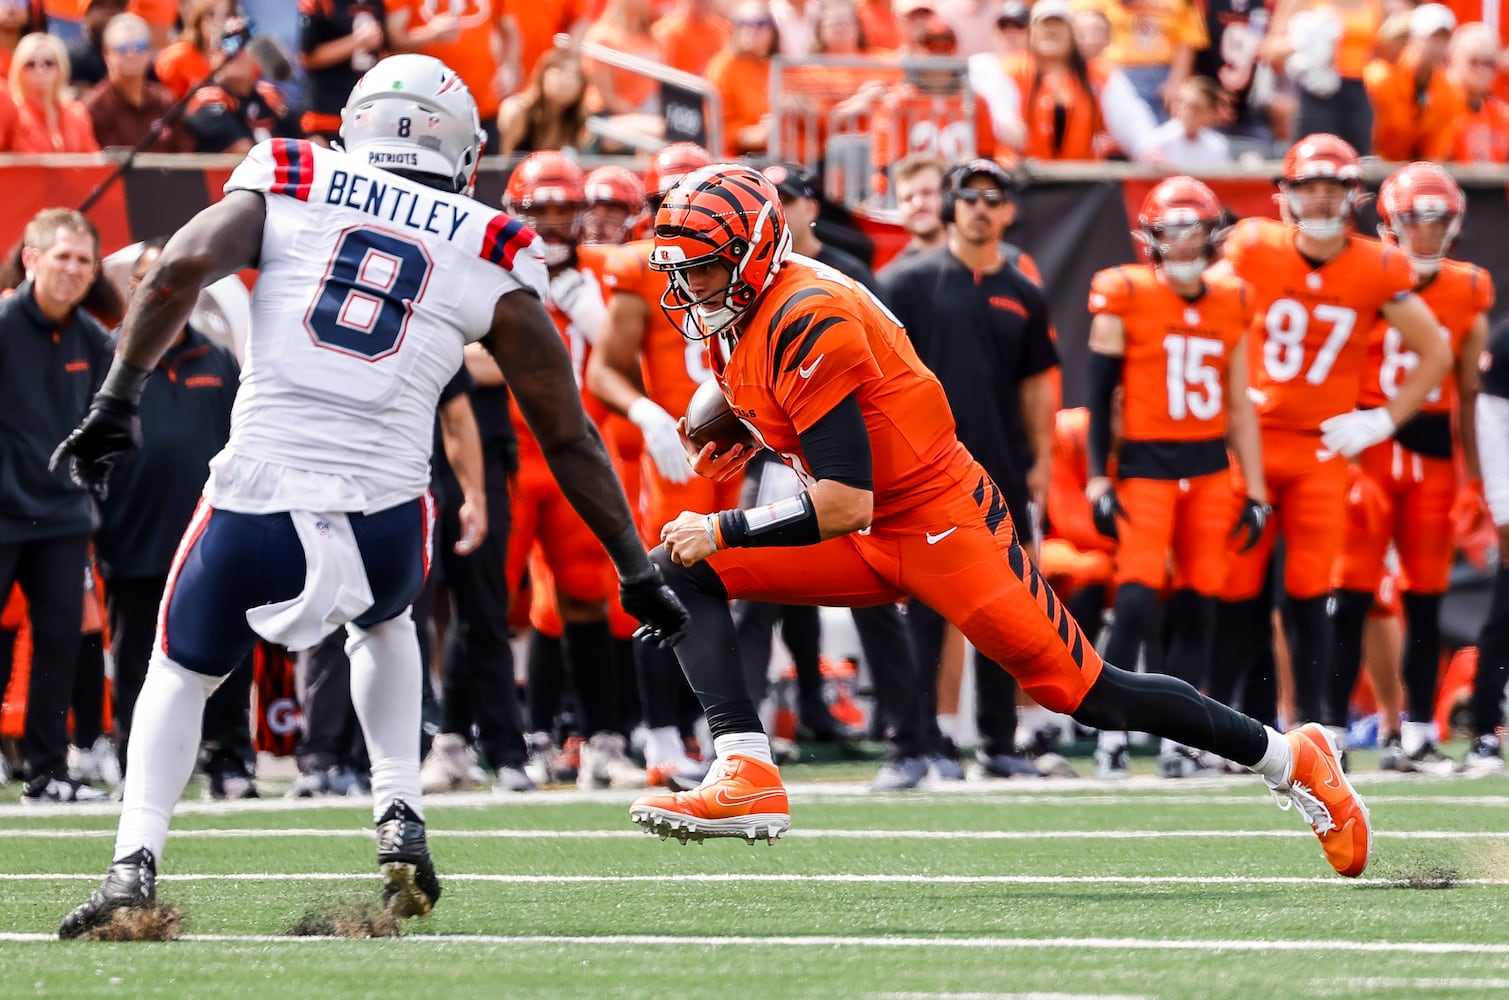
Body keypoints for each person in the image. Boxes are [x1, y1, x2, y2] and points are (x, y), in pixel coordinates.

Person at [52, 53, 686, 939]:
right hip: (387, 513)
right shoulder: (489, 241)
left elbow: (176, 268)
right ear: (461, 149)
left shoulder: (291, 173)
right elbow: (567, 432)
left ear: (357, 125)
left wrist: (117, 399)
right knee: (384, 623)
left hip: (258, 495)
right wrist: (633, 562)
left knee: (179, 669)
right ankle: (398, 812)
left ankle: (133, 866)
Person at [629, 162, 1372, 887]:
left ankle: (1289, 757)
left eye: (701, 268)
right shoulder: (748, 312)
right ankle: (744, 768)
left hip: (940, 526)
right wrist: (745, 422)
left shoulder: (805, 314)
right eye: (681, 270)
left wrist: (726, 526)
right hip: (871, 528)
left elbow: (843, 500)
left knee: (1087, 693)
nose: (687, 286)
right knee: (675, 570)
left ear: (755, 254)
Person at [1209, 134, 1450, 738]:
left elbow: (1435, 349)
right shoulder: (1252, 246)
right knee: (1237, 590)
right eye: (1307, 187)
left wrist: (1384, 419)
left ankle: (1318, 730)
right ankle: (1233, 727)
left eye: (1331, 188)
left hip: (1322, 447)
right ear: (1283, 195)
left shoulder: (1377, 265)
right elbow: (1200, 309)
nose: (1319, 201)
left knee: (1313, 594)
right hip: (1257, 442)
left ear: (1353, 195)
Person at [1084, 176, 1269, 779]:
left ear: (1212, 235)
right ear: (1152, 238)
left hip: (1211, 468)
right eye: (1173, 231)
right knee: (1135, 601)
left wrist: (1257, 488)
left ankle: (1179, 740)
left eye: (1194, 230)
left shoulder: (1234, 297)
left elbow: (1239, 402)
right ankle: (1108, 730)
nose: (1185, 243)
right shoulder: (1124, 292)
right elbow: (1098, 391)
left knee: (1199, 605)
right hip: (1146, 466)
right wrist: (1096, 476)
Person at [876, 158, 1053, 780]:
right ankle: (922, 742)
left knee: (1004, 610)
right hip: (923, 471)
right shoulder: (906, 282)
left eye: (992, 197)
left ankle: (999, 743)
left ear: (1006, 209)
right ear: (951, 205)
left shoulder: (1023, 291)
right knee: (924, 609)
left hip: (999, 470)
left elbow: (1037, 388)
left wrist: (1041, 463)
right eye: (970, 196)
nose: (981, 206)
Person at [1327, 162, 1491, 773]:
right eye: (1415, 218)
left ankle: (1417, 732)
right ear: (1391, 222)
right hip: (1365, 447)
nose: (1426, 232)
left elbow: (1468, 395)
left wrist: (1476, 475)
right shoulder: (1361, 273)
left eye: (1438, 219)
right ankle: (1332, 731)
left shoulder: (1468, 287)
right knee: (1351, 594)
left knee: (1426, 596)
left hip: (1431, 455)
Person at [92, 239, 246, 792]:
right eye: (147, 276)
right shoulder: (108, 359)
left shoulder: (219, 358)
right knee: (137, 660)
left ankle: (230, 759)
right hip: (133, 537)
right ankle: (140, 769)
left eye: (171, 275)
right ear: (130, 289)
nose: (160, 286)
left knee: (225, 651)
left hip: (211, 537)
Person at [0, 209, 113, 805]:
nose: (73, 270)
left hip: (63, 520)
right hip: (2, 515)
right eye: (62, 256)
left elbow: (106, 426)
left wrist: (92, 486)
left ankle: (47, 773)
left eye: (84, 260)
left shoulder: (93, 339)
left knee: (60, 643)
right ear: (31, 258)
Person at [1465, 316, 1509, 775]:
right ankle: (1484, 731)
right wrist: (1503, 508)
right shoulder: (1505, 344)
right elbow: (1494, 421)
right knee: (1504, 617)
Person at [81, 12, 192, 151]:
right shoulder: (93, 108)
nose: (131, 55)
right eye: (122, 49)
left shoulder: (166, 101)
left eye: (140, 47)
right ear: (106, 54)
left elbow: (185, 154)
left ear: (149, 52)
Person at [298, 0, 387, 144]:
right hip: (327, 112)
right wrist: (356, 41)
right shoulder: (320, 3)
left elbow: (386, 47)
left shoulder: (376, 3)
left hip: (366, 111)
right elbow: (306, 58)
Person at [7, 31, 99, 152]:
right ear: (18, 70)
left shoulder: (77, 114)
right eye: (30, 64)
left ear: (61, 68)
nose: (40, 70)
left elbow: (93, 161)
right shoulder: (11, 115)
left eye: (48, 63)